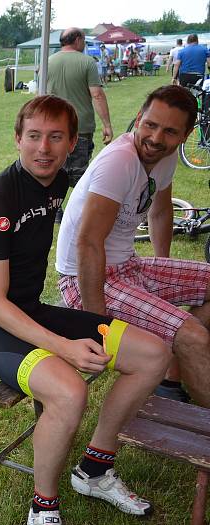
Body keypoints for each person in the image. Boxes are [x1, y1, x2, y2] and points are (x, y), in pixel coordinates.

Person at [0, 95, 169, 525]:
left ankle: (94, 470)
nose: (43, 148)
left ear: (72, 144)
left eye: (55, 138)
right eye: (33, 136)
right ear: (17, 139)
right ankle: (43, 505)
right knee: (69, 392)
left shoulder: (58, 183)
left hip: (29, 310)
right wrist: (65, 347)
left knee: (153, 354)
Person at [56, 85, 210, 407]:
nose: (155, 138)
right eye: (150, 125)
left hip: (128, 266)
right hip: (85, 280)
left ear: (185, 136)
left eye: (169, 131)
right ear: (138, 117)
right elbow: (88, 242)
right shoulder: (120, 162)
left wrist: (164, 270)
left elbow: (161, 210)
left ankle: (170, 380)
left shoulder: (163, 159)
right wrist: (97, 325)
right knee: (193, 336)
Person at [46, 27, 112, 221]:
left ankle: (55, 210)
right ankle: (80, 211)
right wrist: (106, 124)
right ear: (77, 40)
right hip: (79, 127)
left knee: (55, 168)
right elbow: (97, 94)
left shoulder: (48, 61)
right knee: (79, 173)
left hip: (52, 126)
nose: (84, 44)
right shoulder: (87, 62)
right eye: (83, 40)